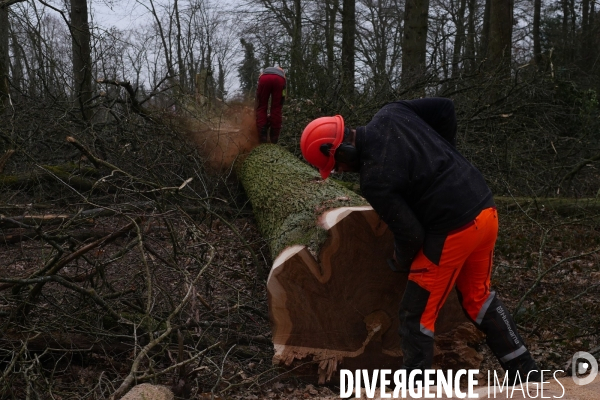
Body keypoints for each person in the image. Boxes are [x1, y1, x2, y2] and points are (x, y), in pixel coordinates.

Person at [299, 98, 541, 385]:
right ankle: (528, 373)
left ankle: (416, 387)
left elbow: (411, 234)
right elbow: (446, 108)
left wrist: (401, 260)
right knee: (478, 298)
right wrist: (447, 154)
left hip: (455, 229)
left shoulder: (374, 178)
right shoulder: (391, 112)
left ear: (344, 151)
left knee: (415, 316)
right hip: (485, 208)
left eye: (337, 166)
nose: (341, 171)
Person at [255, 66, 286, 144]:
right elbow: (284, 94)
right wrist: (281, 102)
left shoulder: (263, 72)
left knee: (262, 106)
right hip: (279, 80)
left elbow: (258, 97)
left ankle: (262, 135)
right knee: (276, 108)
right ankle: (274, 137)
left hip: (264, 79)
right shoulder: (283, 75)